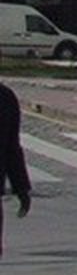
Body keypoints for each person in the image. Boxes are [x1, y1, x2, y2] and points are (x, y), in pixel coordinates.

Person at [0, 82, 32, 258]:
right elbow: (12, 148)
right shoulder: (5, 97)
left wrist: (21, 187)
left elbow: (11, 148)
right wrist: (21, 188)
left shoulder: (5, 98)